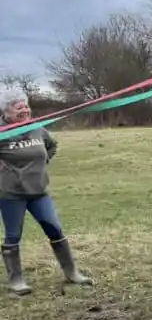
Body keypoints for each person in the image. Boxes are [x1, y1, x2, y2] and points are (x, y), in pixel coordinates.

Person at [0, 96, 92, 296]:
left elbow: (52, 145)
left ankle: (72, 273)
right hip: (11, 194)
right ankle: (16, 280)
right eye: (18, 108)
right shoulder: (2, 133)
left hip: (39, 191)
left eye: (25, 106)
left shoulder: (37, 128)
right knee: (13, 235)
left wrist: (43, 162)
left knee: (54, 229)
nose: (24, 110)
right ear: (6, 113)